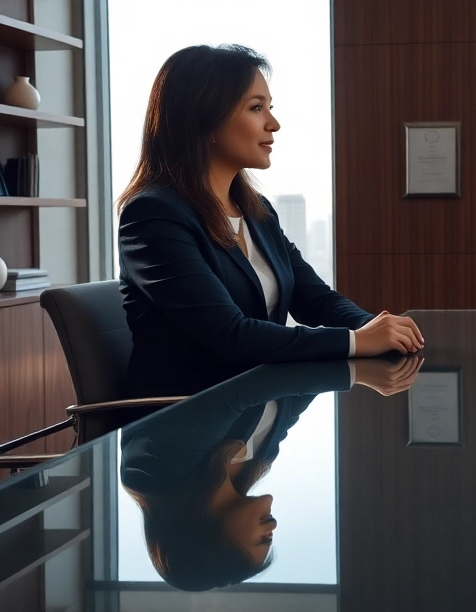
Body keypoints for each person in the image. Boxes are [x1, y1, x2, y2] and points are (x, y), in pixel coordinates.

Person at [118, 44, 424, 398]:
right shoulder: (153, 216)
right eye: (256, 108)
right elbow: (231, 335)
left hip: (256, 410)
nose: (273, 124)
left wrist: (371, 326)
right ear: (204, 118)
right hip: (188, 424)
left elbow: (315, 299)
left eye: (269, 107)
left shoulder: (257, 210)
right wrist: (357, 341)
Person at [121, 358, 423, 591]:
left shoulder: (151, 475)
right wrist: (360, 356)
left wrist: (355, 372)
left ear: (209, 545)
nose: (273, 525)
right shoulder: (260, 459)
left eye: (262, 539)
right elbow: (298, 393)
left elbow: (236, 392)